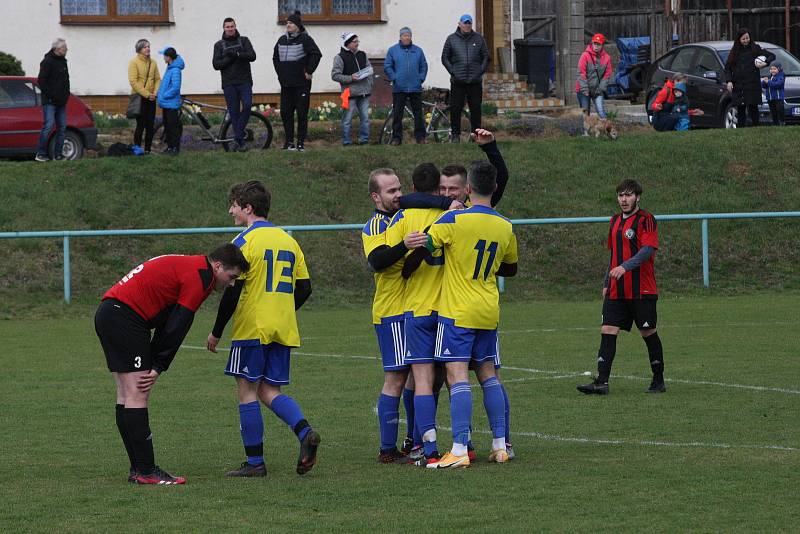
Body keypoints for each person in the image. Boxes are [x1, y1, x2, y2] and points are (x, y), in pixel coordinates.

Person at [401, 129, 515, 460]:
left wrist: (408, 263)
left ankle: (457, 448)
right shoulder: (504, 225)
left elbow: (425, 247)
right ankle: (500, 444)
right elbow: (510, 268)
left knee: (452, 376)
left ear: (466, 190)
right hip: (488, 307)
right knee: (488, 374)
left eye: (455, 188)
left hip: (455, 309)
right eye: (444, 189)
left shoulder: (452, 220)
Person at [95, 244, 249, 485]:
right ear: (217, 266)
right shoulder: (200, 277)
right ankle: (146, 470)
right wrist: (158, 365)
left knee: (126, 393)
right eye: (231, 277)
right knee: (138, 393)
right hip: (125, 317)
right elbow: (177, 325)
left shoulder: (195, 266)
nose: (231, 284)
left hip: (111, 312)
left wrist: (156, 361)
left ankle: (138, 469)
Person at [207, 181, 319, 478]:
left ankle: (255, 462)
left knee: (246, 391)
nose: (231, 211)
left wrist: (216, 330)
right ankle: (304, 431)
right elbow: (305, 288)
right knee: (269, 390)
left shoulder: (244, 242)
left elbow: (232, 290)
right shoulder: (289, 241)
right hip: (282, 327)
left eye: (234, 205)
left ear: (248, 208)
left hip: (252, 327)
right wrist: (281, 309)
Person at [362, 169, 461, 463]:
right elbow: (377, 262)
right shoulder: (376, 224)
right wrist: (403, 245)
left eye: (399, 189)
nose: (398, 195)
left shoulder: (408, 213)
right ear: (375, 196)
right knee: (396, 377)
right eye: (390, 191)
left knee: (420, 380)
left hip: (418, 308)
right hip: (393, 309)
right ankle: (386, 448)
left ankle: (414, 441)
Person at [383, 164, 448, 466]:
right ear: (439, 188)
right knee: (454, 379)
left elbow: (395, 263)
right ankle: (466, 443)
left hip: (417, 308)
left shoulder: (402, 217)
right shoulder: (452, 215)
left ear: (411, 186)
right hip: (449, 308)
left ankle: (425, 448)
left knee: (421, 381)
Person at [577, 179, 665, 395]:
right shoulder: (615, 221)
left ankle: (658, 380)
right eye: (620, 195)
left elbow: (647, 250)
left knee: (647, 332)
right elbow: (613, 255)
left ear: (638, 197)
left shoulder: (647, 220)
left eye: (628, 195)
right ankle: (601, 383)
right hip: (617, 289)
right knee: (607, 329)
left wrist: (625, 267)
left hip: (641, 290)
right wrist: (607, 281)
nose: (624, 200)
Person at [273, 11, 322, 152]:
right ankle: (289, 142)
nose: (288, 25)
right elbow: (275, 58)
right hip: (286, 84)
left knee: (301, 113)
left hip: (301, 84)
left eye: (291, 23)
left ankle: (300, 143)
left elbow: (316, 54)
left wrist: (309, 71)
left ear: (297, 26)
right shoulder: (281, 40)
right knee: (285, 113)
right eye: (287, 23)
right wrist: (280, 74)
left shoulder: (305, 39)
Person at [441, 14, 489, 142]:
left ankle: (476, 135)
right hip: (458, 81)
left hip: (475, 81)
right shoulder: (451, 39)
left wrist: (480, 71)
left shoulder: (479, 39)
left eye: (469, 23)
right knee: (456, 109)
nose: (467, 25)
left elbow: (486, 57)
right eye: (465, 23)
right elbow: (445, 58)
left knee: (476, 109)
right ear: (459, 24)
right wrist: (453, 71)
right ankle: (455, 135)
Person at [212, 18, 257, 152]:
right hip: (229, 83)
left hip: (244, 81)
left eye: (232, 26)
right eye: (227, 27)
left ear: (235, 27)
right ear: (224, 28)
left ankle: (237, 137)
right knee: (234, 113)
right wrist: (229, 58)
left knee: (248, 105)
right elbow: (216, 65)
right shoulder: (219, 45)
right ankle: (241, 143)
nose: (230, 29)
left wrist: (237, 54)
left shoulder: (244, 40)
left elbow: (252, 56)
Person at [383, 27, 428, 145]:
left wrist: (421, 78)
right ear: (400, 37)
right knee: (397, 115)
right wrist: (394, 78)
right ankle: (397, 138)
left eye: (409, 35)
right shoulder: (393, 50)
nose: (407, 37)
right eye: (404, 35)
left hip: (415, 87)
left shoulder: (418, 51)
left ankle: (420, 138)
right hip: (399, 88)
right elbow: (387, 66)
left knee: (418, 114)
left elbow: (424, 66)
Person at [725, 28, 775, 127]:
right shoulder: (734, 52)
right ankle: (741, 130)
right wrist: (729, 81)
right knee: (741, 109)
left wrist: (765, 63)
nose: (746, 41)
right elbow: (727, 68)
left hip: (752, 84)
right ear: (739, 40)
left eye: (747, 38)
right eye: (743, 39)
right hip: (739, 85)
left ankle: (756, 129)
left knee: (753, 108)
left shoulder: (755, 48)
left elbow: (772, 56)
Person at [332, 32, 373, 146]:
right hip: (349, 93)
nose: (357, 44)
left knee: (365, 118)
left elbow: (369, 70)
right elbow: (335, 75)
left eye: (357, 41)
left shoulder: (363, 54)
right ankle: (346, 141)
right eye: (354, 42)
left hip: (364, 92)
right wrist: (351, 78)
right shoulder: (339, 57)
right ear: (347, 43)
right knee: (347, 119)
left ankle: (364, 140)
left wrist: (369, 85)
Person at [34, 38, 70, 162]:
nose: (67, 50)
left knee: (62, 127)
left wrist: (66, 96)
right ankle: (41, 153)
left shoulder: (63, 62)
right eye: (64, 48)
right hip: (50, 102)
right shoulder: (47, 62)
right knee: (48, 126)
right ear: (57, 49)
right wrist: (51, 96)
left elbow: (66, 81)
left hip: (61, 102)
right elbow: (41, 81)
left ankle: (58, 155)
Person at [128, 39, 161, 154]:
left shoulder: (153, 63)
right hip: (140, 98)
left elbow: (157, 79)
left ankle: (147, 149)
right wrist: (147, 94)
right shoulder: (134, 62)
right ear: (139, 50)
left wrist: (155, 93)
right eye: (145, 47)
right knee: (140, 125)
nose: (148, 48)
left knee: (150, 125)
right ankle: (137, 149)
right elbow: (133, 82)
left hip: (151, 98)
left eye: (148, 46)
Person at [575, 33, 612, 133]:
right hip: (583, 89)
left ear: (602, 45)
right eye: (594, 43)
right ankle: (586, 133)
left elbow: (607, 75)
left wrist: (601, 89)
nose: (596, 46)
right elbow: (581, 73)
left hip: (597, 89)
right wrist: (584, 89)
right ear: (592, 43)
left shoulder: (607, 58)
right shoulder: (585, 56)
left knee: (600, 110)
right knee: (585, 112)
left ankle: (607, 131)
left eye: (598, 44)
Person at [156, 47, 184, 155]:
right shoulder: (170, 68)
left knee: (173, 128)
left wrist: (164, 95)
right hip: (167, 104)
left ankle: (175, 149)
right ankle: (170, 148)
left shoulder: (175, 70)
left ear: (169, 57)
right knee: (168, 126)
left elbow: (176, 87)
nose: (163, 58)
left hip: (171, 103)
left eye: (164, 56)